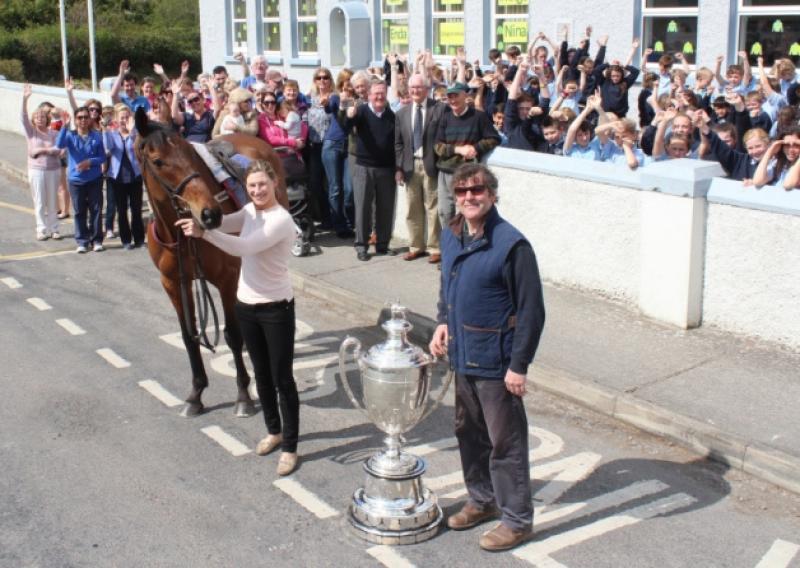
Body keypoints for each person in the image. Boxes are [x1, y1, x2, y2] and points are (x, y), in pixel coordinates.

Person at [429, 163, 545, 552]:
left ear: (492, 194)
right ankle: (482, 499)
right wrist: (443, 321)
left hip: (497, 363)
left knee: (505, 443)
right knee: (468, 433)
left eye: (476, 191)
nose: (468, 198)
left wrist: (519, 365)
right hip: (462, 355)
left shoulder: (512, 245)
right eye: (461, 192)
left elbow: (532, 312)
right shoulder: (452, 234)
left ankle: (517, 520)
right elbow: (447, 285)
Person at [175, 160, 300, 476]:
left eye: (262, 185)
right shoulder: (249, 212)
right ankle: (274, 431)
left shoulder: (280, 219)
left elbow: (245, 246)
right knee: (261, 375)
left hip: (276, 308)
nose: (257, 190)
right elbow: (224, 222)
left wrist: (203, 234)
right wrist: (195, 211)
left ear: (274, 186)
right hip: (246, 305)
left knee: (282, 378)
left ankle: (290, 447)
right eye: (252, 186)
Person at [341, 79, 397, 261]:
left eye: (382, 92)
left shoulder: (391, 116)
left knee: (385, 208)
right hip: (364, 167)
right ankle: (361, 246)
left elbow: (397, 144)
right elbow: (345, 127)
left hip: (387, 169)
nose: (379, 96)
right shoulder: (361, 112)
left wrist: (398, 168)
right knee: (363, 208)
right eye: (376, 93)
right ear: (369, 95)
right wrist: (348, 114)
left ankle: (382, 244)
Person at [434, 83, 500, 234]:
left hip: (467, 174)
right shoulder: (445, 118)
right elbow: (437, 146)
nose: (452, 100)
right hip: (445, 172)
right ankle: (451, 243)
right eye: (449, 97)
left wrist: (476, 148)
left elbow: (494, 139)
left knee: (467, 213)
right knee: (445, 212)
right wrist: (459, 149)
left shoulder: (479, 117)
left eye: (456, 95)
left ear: (465, 95)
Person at [394, 73, 445, 263]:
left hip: (431, 164)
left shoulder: (439, 109)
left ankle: (434, 248)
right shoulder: (402, 113)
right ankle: (416, 246)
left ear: (427, 89)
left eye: (419, 87)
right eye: (412, 87)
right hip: (409, 166)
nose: (415, 91)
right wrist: (398, 167)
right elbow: (398, 144)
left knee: (433, 207)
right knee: (412, 209)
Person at [56, 106, 106, 253]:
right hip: (76, 180)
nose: (83, 120)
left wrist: (90, 162)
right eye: (80, 117)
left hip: (94, 179)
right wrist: (64, 126)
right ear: (76, 120)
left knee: (96, 210)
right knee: (79, 211)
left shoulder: (96, 136)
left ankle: (96, 240)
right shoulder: (70, 135)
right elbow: (59, 145)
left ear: (90, 119)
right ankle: (82, 241)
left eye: (85, 117)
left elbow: (102, 157)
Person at [21, 84, 62, 241]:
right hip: (36, 170)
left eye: (42, 117)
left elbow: (59, 150)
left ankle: (54, 228)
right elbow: (23, 117)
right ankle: (41, 229)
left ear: (47, 119)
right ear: (33, 120)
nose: (40, 118)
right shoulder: (31, 133)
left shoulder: (54, 133)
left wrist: (42, 151)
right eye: (37, 117)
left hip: (53, 169)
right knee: (39, 201)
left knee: (52, 201)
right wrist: (25, 99)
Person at [104, 103, 144, 249]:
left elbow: (138, 148)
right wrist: (105, 130)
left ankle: (139, 239)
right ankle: (126, 240)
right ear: (116, 118)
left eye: (127, 117)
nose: (124, 120)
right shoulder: (112, 134)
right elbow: (108, 147)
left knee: (136, 209)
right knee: (121, 210)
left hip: (135, 176)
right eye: (121, 118)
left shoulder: (136, 133)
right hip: (117, 178)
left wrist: (132, 131)